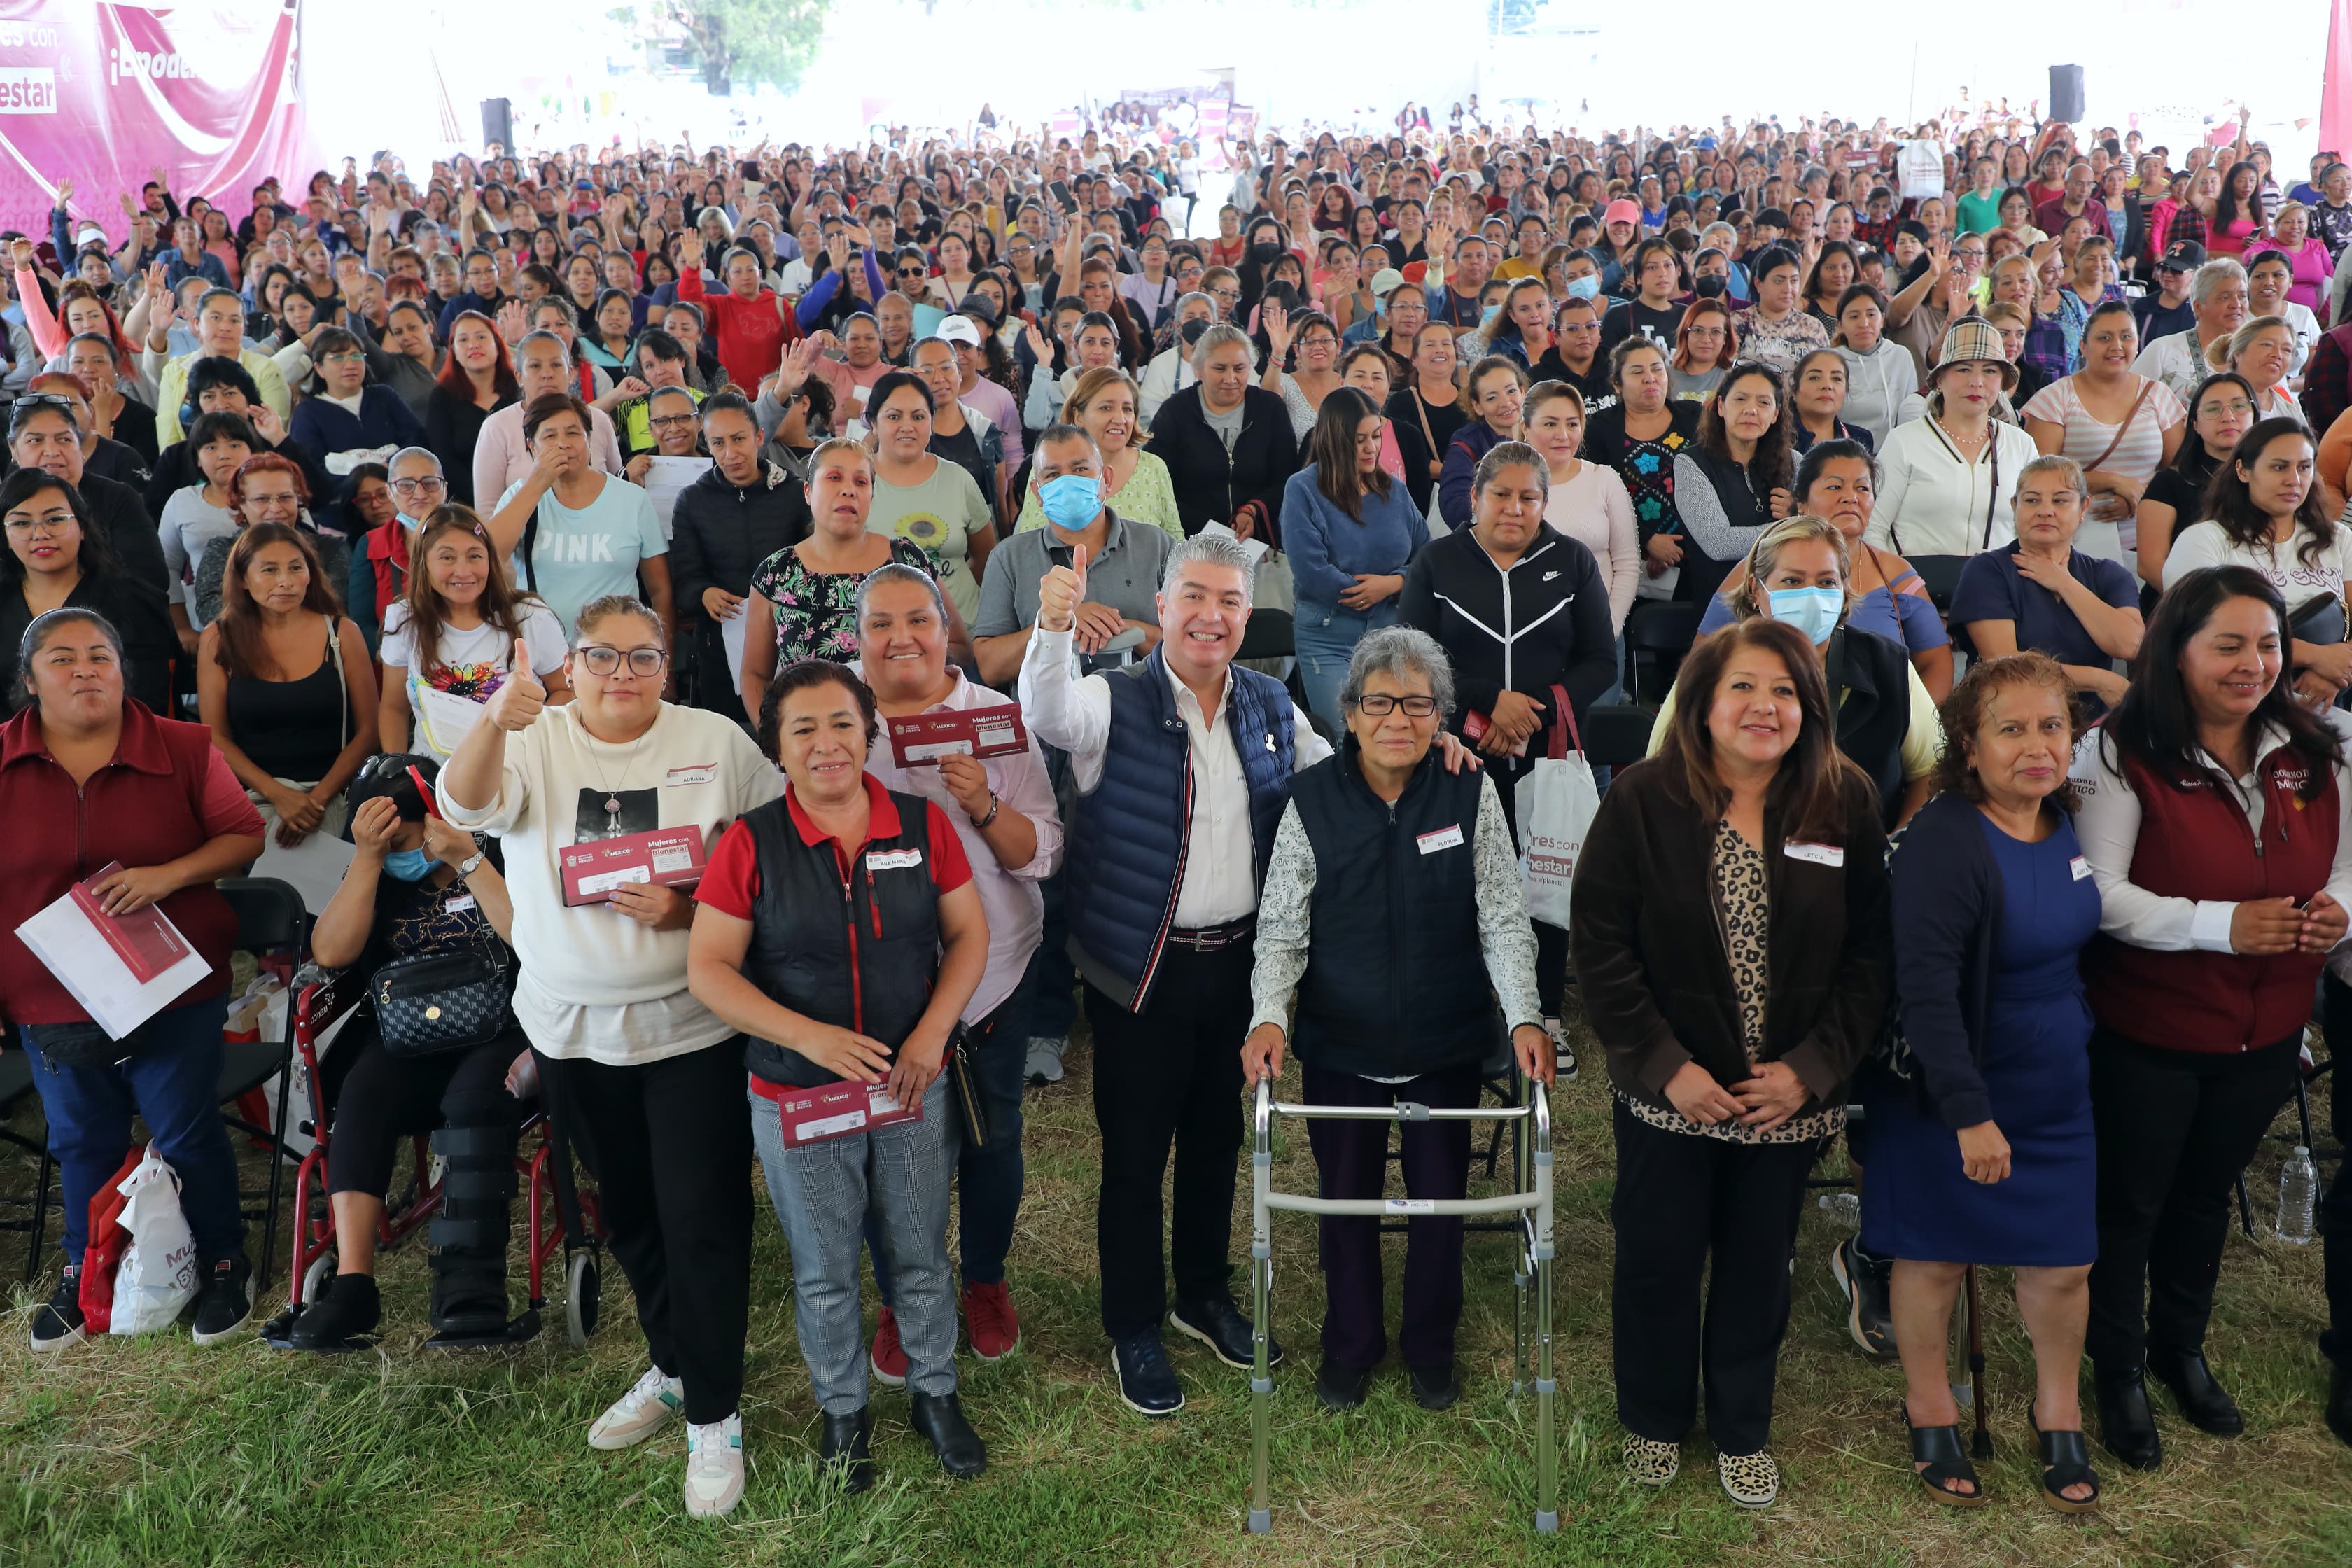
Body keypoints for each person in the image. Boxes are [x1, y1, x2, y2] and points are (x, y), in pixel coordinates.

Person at [438, 594, 783, 1518]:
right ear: (571, 663)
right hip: (572, 1031)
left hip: (689, 1025)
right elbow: (464, 804)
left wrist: (696, 906)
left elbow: (773, 854)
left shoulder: (714, 741)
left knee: (702, 1217)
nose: (621, 676)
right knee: (629, 1214)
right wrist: (493, 720)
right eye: (601, 657)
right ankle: (673, 1365)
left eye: (641, 659)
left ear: (667, 666)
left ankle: (715, 1415)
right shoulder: (532, 735)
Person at [1571, 616, 1890, 1508]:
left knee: (1760, 1262)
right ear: (1703, 704)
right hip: (1673, 1090)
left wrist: (1813, 1069)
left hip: (1788, 1099)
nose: (1765, 706)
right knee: (1658, 1258)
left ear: (1810, 708)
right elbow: (1600, 944)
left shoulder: (1845, 799)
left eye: (1786, 690)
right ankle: (1654, 1417)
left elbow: (1873, 956)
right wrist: (1665, 1063)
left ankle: (1743, 1423)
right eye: (1744, 686)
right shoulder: (1642, 798)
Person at [1016, 532, 1337, 1418]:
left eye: (1230, 600)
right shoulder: (1109, 699)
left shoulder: (1273, 703)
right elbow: (1045, 711)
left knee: (1215, 1140)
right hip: (1138, 973)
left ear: (1246, 614)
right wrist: (1051, 625)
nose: (1212, 615)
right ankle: (1134, 1324)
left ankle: (1202, 1293)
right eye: (1195, 595)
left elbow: (1338, 784)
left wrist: (1433, 762)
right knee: (1135, 1153)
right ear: (1162, 605)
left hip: (1235, 966)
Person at [685, 657, 992, 1490]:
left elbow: (968, 936)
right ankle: (844, 1411)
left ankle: (935, 1392)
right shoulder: (750, 841)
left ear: (870, 732)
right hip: (797, 1093)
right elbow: (709, 967)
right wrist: (810, 1037)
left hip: (909, 1085)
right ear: (777, 748)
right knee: (824, 1266)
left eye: (843, 724)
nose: (827, 745)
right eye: (804, 729)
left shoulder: (925, 825)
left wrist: (932, 1033)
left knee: (922, 1250)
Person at [2073, 566, 2352, 1473]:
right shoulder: (2122, 752)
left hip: (2267, 1033)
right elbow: (2100, 898)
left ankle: (2177, 1349)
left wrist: (2342, 909)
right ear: (2177, 649)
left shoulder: (2316, 750)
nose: (2253, 664)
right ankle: (2115, 1367)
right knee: (2130, 1206)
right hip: (2150, 1030)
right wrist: (2217, 925)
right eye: (2228, 644)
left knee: (2202, 1201)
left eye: (2267, 644)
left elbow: (2348, 869)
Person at [1241, 626, 1553, 1412]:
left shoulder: (1467, 788)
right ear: (1349, 713)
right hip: (1341, 1042)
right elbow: (1282, 927)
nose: (1397, 719)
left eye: (1418, 703)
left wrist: (1524, 1013)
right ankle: (1349, 1345)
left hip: (1444, 1039)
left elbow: (1503, 916)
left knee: (1438, 1200)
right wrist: (1268, 1015)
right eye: (1378, 702)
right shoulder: (1309, 799)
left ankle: (1431, 1345)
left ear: (1440, 717)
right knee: (1344, 1200)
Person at [1869, 652, 2101, 1512]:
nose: (2036, 746)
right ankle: (1930, 1405)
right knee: (1933, 1254)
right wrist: (1970, 1114)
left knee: (2064, 1263)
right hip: (1954, 1088)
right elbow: (1925, 990)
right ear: (1968, 745)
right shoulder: (1946, 838)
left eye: (2053, 727)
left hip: (2056, 1089)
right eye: (2012, 728)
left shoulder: (2065, 821)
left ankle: (2059, 1408)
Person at [4, 607, 267, 1352]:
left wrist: (167, 875)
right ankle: (84, 1268)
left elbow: (244, 832)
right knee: (81, 1134)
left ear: (124, 669)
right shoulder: (0, 759)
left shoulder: (182, 746)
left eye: (100, 654)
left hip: (170, 982)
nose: (85, 668)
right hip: (50, 991)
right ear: (30, 680)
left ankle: (223, 1260)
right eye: (62, 658)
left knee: (184, 1126)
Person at [848, 564, 1060, 1382]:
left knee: (992, 1134)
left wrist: (981, 804)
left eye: (919, 620)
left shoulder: (996, 720)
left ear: (948, 629)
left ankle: (984, 1278)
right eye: (881, 624)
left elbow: (1042, 853)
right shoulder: (838, 720)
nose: (901, 638)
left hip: (994, 972)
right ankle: (907, 1292)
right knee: (888, 1148)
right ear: (857, 637)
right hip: (873, 983)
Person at [288, 754, 530, 1350]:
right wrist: (368, 861)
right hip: (406, 1030)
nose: (399, 848)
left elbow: (528, 937)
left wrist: (464, 857)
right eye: (381, 838)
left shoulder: (497, 852)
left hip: (498, 1026)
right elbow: (332, 952)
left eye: (404, 835)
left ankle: (469, 1285)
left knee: (475, 1098)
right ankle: (352, 1287)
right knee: (362, 1092)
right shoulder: (378, 875)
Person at [1402, 442, 1616, 1060]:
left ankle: (1546, 1015)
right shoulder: (1436, 561)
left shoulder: (1572, 560)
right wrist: (1490, 702)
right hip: (1456, 749)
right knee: (1460, 877)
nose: (1515, 509)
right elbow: (1414, 652)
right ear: (1474, 499)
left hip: (1544, 747)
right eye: (1501, 494)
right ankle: (1467, 1009)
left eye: (1529, 497)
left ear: (1546, 504)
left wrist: (1530, 711)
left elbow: (1601, 660)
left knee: (1543, 879)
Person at [1656, 514, 1937, 827]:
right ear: (1755, 589)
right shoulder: (1710, 668)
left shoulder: (1888, 665)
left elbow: (1933, 770)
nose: (1812, 595)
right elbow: (1660, 772)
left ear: (1844, 589)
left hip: (1862, 865)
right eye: (1793, 581)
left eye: (1827, 582)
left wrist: (1893, 851)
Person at [1698, 441, 1953, 701]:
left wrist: (1902, 723)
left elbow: (1936, 664)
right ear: (1802, 502)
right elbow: (1702, 662)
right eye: (1835, 486)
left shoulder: (1894, 573)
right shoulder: (1756, 568)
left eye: (1862, 488)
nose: (1850, 497)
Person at [196, 522, 378, 847]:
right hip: (254, 799)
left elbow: (369, 731)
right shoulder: (218, 638)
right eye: (270, 570)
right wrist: (279, 795)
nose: (286, 581)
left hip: (337, 796)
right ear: (243, 580)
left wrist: (317, 800)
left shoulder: (342, 633)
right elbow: (216, 739)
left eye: (296, 568)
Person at [742, 437, 944, 713]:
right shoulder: (776, 573)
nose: (848, 490)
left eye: (861, 482)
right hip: (811, 739)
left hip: (902, 731)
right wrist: (777, 743)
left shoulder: (906, 560)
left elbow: (956, 645)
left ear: (872, 494)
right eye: (834, 478)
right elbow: (754, 676)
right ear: (808, 492)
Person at [2164, 419, 2352, 709]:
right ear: (2243, 470)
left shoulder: (2338, 538)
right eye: (2279, 467)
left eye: (2304, 467)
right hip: (2236, 694)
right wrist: (2318, 657)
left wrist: (2335, 673)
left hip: (2330, 696)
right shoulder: (2205, 540)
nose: (2294, 480)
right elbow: (2203, 632)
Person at [1952, 456, 2146, 721]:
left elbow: (2130, 645)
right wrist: (2100, 679)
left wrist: (2063, 582)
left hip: (2093, 730)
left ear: (2083, 508)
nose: (2045, 510)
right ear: (2014, 506)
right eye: (2032, 500)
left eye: (2060, 500)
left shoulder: (2109, 574)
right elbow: (2005, 662)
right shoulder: (1987, 570)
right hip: (2009, 721)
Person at [1280, 388, 1429, 724]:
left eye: (1376, 436)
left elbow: (1427, 556)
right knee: (1347, 737)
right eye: (1359, 439)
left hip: (1392, 633)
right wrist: (1364, 594)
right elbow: (1311, 570)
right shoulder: (1302, 489)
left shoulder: (1395, 490)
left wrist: (1393, 583)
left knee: (1392, 733)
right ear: (1335, 439)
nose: (1371, 447)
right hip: (1328, 635)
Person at [377, 505, 572, 758]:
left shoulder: (529, 616)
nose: (463, 571)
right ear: (423, 563)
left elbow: (566, 690)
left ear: (490, 559)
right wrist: (396, 771)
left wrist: (532, 726)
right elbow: (393, 708)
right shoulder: (404, 619)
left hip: (515, 769)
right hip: (432, 779)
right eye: (447, 557)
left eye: (475, 556)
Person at [483, 393, 673, 643]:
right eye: (550, 436)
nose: (563, 444)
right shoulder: (520, 496)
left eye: (573, 433)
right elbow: (487, 557)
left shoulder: (633, 499)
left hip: (618, 651)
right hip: (544, 653)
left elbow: (660, 591)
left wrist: (663, 662)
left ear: (589, 440)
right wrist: (536, 486)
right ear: (532, 447)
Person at [666, 391, 811, 715]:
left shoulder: (793, 492)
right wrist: (704, 594)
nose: (730, 453)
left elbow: (814, 561)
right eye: (717, 443)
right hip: (720, 643)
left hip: (790, 637)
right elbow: (685, 578)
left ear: (759, 436)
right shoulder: (693, 500)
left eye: (739, 439)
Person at [2022, 302, 2186, 572]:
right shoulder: (2055, 399)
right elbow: (2038, 477)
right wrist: (2113, 482)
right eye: (2104, 338)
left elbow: (2179, 473)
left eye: (2126, 336)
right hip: (2071, 542)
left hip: (2147, 541)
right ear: (2084, 347)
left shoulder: (2158, 396)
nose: (2117, 346)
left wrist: (2139, 498)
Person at [0, 470, 175, 716]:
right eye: (21, 523)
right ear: (6, 536)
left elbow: (146, 703)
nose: (40, 534)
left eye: (55, 520)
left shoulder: (132, 603)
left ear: (82, 528)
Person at [1869, 321, 2042, 560]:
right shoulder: (1904, 441)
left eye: (1990, 371)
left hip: (2000, 590)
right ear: (1940, 380)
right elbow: (1873, 529)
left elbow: (2037, 528)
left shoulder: (2022, 445)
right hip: (1916, 590)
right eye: (1964, 369)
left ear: (2002, 381)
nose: (1977, 382)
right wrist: (1903, 588)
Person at [861, 371, 997, 624]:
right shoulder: (858, 485)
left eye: (918, 416)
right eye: (894, 416)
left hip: (966, 632)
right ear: (874, 424)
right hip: (888, 636)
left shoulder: (958, 478)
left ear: (932, 421)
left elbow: (986, 556)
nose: (908, 426)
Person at [1147, 323, 1301, 540]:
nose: (1230, 379)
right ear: (1198, 369)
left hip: (1258, 542)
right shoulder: (1175, 412)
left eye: (1239, 369)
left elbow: (1286, 478)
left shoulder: (1270, 409)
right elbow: (1159, 485)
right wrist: (1209, 530)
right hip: (1192, 540)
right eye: (1220, 369)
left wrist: (1253, 509)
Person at [1671, 363, 1793, 607]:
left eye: (1764, 403)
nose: (1751, 410)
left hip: (1783, 602)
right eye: (1740, 399)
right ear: (1720, 406)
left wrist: (1800, 512)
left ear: (1776, 414)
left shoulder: (1796, 462)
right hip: (1721, 606)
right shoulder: (1691, 463)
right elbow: (1719, 543)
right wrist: (1792, 528)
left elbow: (1822, 527)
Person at [1524, 380, 1639, 636]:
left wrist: (1610, 624)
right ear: (1526, 428)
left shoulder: (1604, 479)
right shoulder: (1506, 487)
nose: (1563, 435)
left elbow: (1627, 563)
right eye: (1550, 424)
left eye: (1572, 424)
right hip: (1529, 635)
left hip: (1600, 631)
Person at [1014, 367, 1181, 539]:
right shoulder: (1050, 469)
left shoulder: (1154, 467)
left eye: (1127, 409)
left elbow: (1175, 543)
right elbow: (1029, 542)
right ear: (1078, 416)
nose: (1120, 419)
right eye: (1106, 408)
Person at [470, 331, 626, 507]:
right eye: (535, 366)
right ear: (519, 377)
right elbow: (488, 510)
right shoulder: (496, 427)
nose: (547, 374)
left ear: (571, 374)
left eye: (556, 365)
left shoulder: (598, 420)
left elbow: (617, 490)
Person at [2136, 372, 2257, 591]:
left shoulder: (2272, 480)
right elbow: (2150, 565)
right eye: (2213, 409)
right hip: (2183, 606)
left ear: (2255, 417)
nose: (2228, 417)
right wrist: (2207, 609)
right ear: (2195, 424)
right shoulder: (2169, 482)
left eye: (2239, 406)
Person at [423, 312, 518, 506]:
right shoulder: (442, 397)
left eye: (481, 337)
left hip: (524, 494)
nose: (473, 344)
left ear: (498, 346)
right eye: (463, 340)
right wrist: (486, 500)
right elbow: (444, 460)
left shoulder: (519, 389)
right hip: (466, 503)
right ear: (454, 353)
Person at [1385, 323, 1466, 518]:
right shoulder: (1400, 403)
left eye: (1446, 344)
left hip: (1469, 499)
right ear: (1414, 358)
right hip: (1419, 504)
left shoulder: (1473, 401)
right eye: (1430, 345)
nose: (1440, 349)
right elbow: (1406, 458)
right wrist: (1460, 472)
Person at [1436, 356, 1527, 528]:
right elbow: (1454, 503)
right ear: (1477, 406)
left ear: (1523, 392)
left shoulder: (1542, 431)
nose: (1506, 402)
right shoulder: (1466, 443)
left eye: (1511, 391)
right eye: (1492, 398)